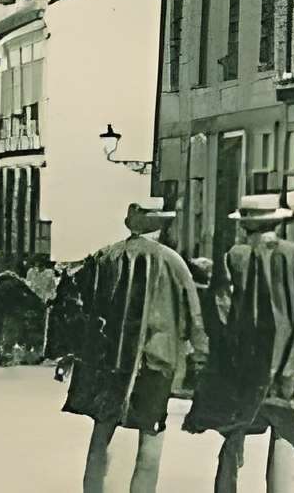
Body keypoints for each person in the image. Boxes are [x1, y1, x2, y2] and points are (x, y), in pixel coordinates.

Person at [187, 195, 294, 491]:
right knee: (283, 430)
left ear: (245, 225)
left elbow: (220, 309)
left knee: (235, 426)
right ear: (277, 223)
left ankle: (227, 486)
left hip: (243, 358)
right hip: (291, 356)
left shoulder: (233, 256)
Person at [68, 199, 206, 493]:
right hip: (156, 360)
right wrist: (201, 358)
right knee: (151, 433)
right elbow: (195, 315)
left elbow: (84, 308)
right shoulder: (173, 261)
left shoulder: (106, 257)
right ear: (161, 225)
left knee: (103, 429)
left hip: (110, 358)